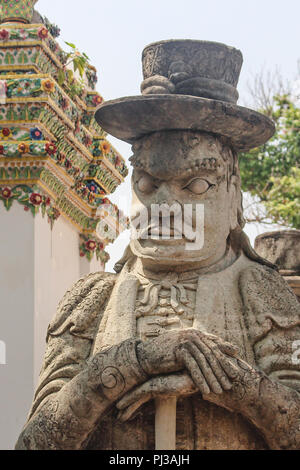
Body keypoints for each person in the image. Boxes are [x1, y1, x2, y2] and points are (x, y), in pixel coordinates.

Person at [16, 40, 300, 450]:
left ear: (233, 195)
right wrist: (135, 360)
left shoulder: (260, 290)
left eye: (196, 185)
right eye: (147, 184)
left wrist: (233, 382)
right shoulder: (93, 299)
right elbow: (36, 444)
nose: (165, 206)